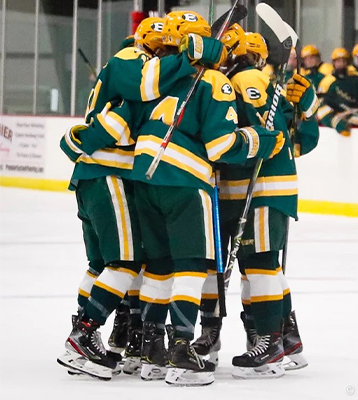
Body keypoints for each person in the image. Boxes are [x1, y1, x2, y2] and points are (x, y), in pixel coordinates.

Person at [56, 15, 216, 380]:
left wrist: (79, 141)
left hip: (97, 177)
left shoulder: (137, 67)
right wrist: (84, 140)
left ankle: (99, 335)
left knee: (103, 264)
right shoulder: (131, 58)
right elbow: (128, 107)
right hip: (108, 174)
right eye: (159, 50)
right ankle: (84, 333)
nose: (163, 57)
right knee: (126, 262)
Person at [195, 28, 318, 378]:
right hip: (248, 189)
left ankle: (269, 343)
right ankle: (285, 337)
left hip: (261, 187)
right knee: (259, 265)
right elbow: (299, 140)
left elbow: (275, 138)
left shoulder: (246, 78)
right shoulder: (256, 80)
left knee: (260, 262)